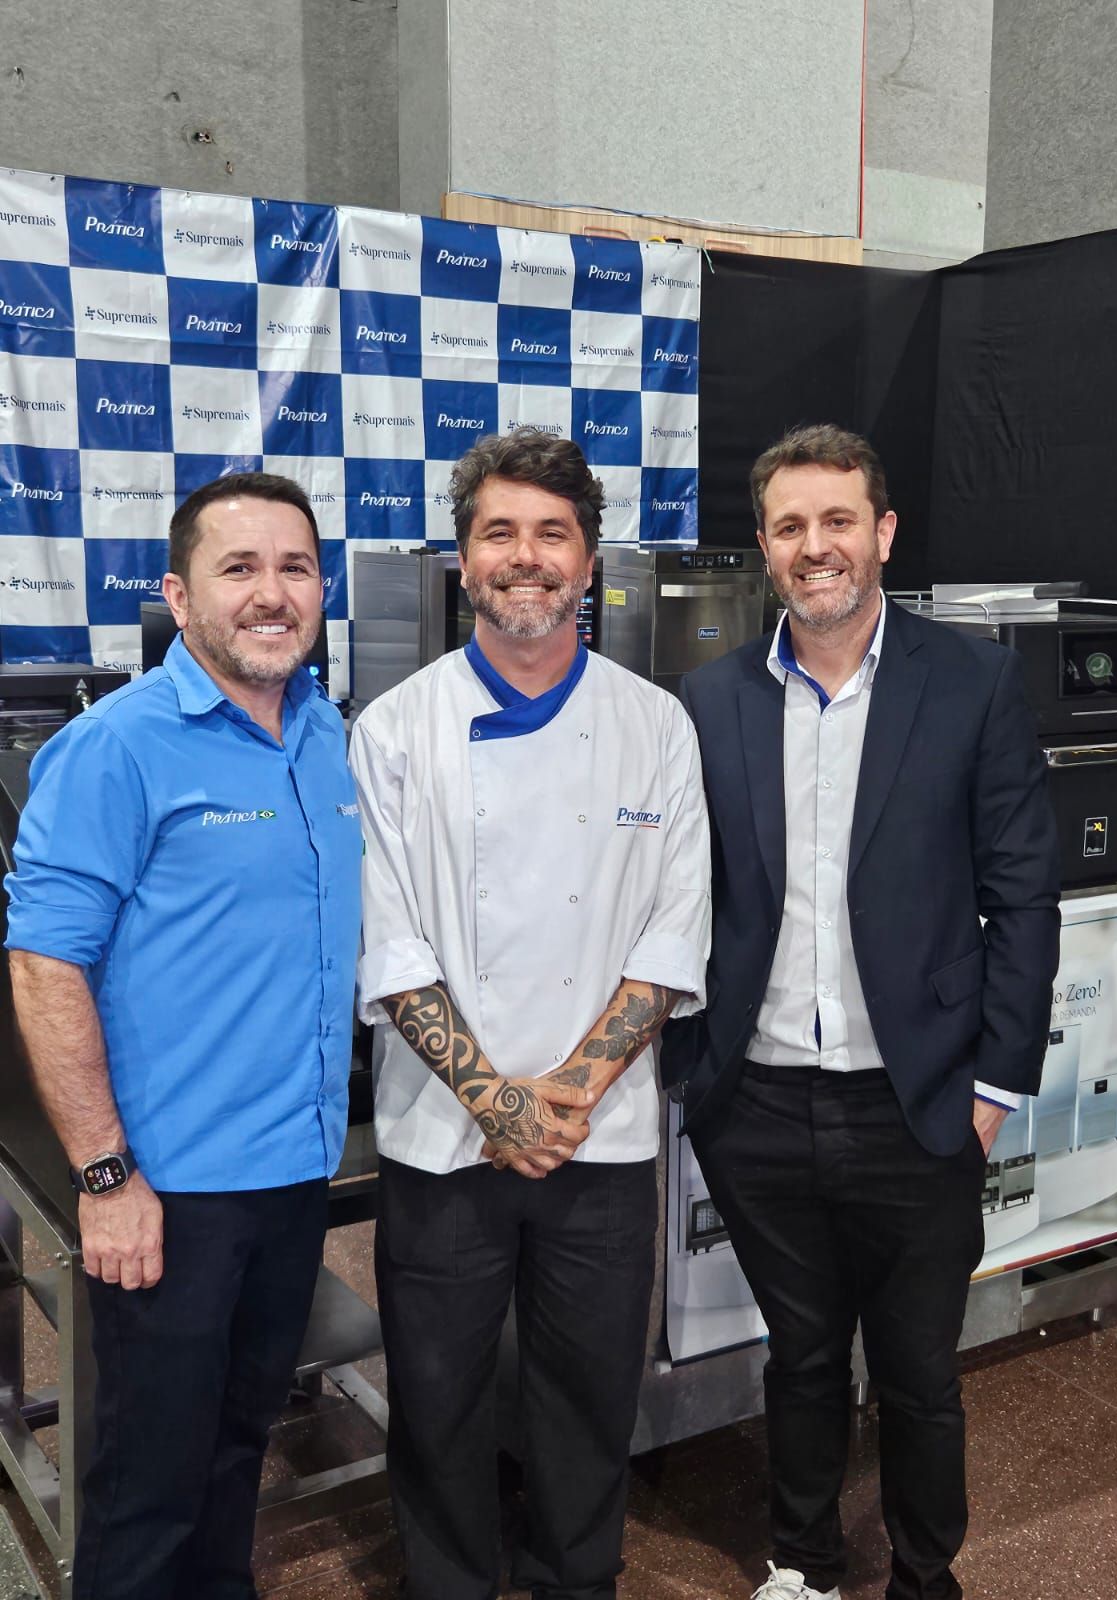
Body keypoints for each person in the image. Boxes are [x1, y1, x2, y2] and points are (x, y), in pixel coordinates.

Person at [660, 424, 1060, 1600]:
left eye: (839, 520)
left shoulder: (971, 680)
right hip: (761, 1103)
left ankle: (926, 1574)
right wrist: (698, 1071)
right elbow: (691, 896)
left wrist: (995, 1087)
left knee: (921, 1371)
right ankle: (804, 1561)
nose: (815, 545)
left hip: (922, 1100)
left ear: (883, 532)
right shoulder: (710, 700)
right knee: (799, 1354)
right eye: (790, 525)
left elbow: (1021, 891)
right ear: (766, 547)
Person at [350, 426, 710, 1600]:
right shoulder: (394, 729)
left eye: (553, 534)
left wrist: (562, 1099)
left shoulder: (657, 725)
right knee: (441, 1400)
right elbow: (388, 936)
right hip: (443, 1139)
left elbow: (671, 935)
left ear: (590, 561)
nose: (527, 557)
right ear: (464, 559)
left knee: (586, 1397)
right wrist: (496, 1100)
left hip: (598, 1141)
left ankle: (574, 1581)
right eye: (500, 532)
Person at [4, 472, 362, 1600]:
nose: (272, 592)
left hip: (295, 1171)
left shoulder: (323, 734)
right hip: (170, 1194)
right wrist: (106, 1173)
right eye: (240, 568)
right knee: (147, 1488)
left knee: (236, 1449)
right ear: (179, 591)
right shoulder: (118, 747)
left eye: (295, 567)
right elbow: (43, 964)